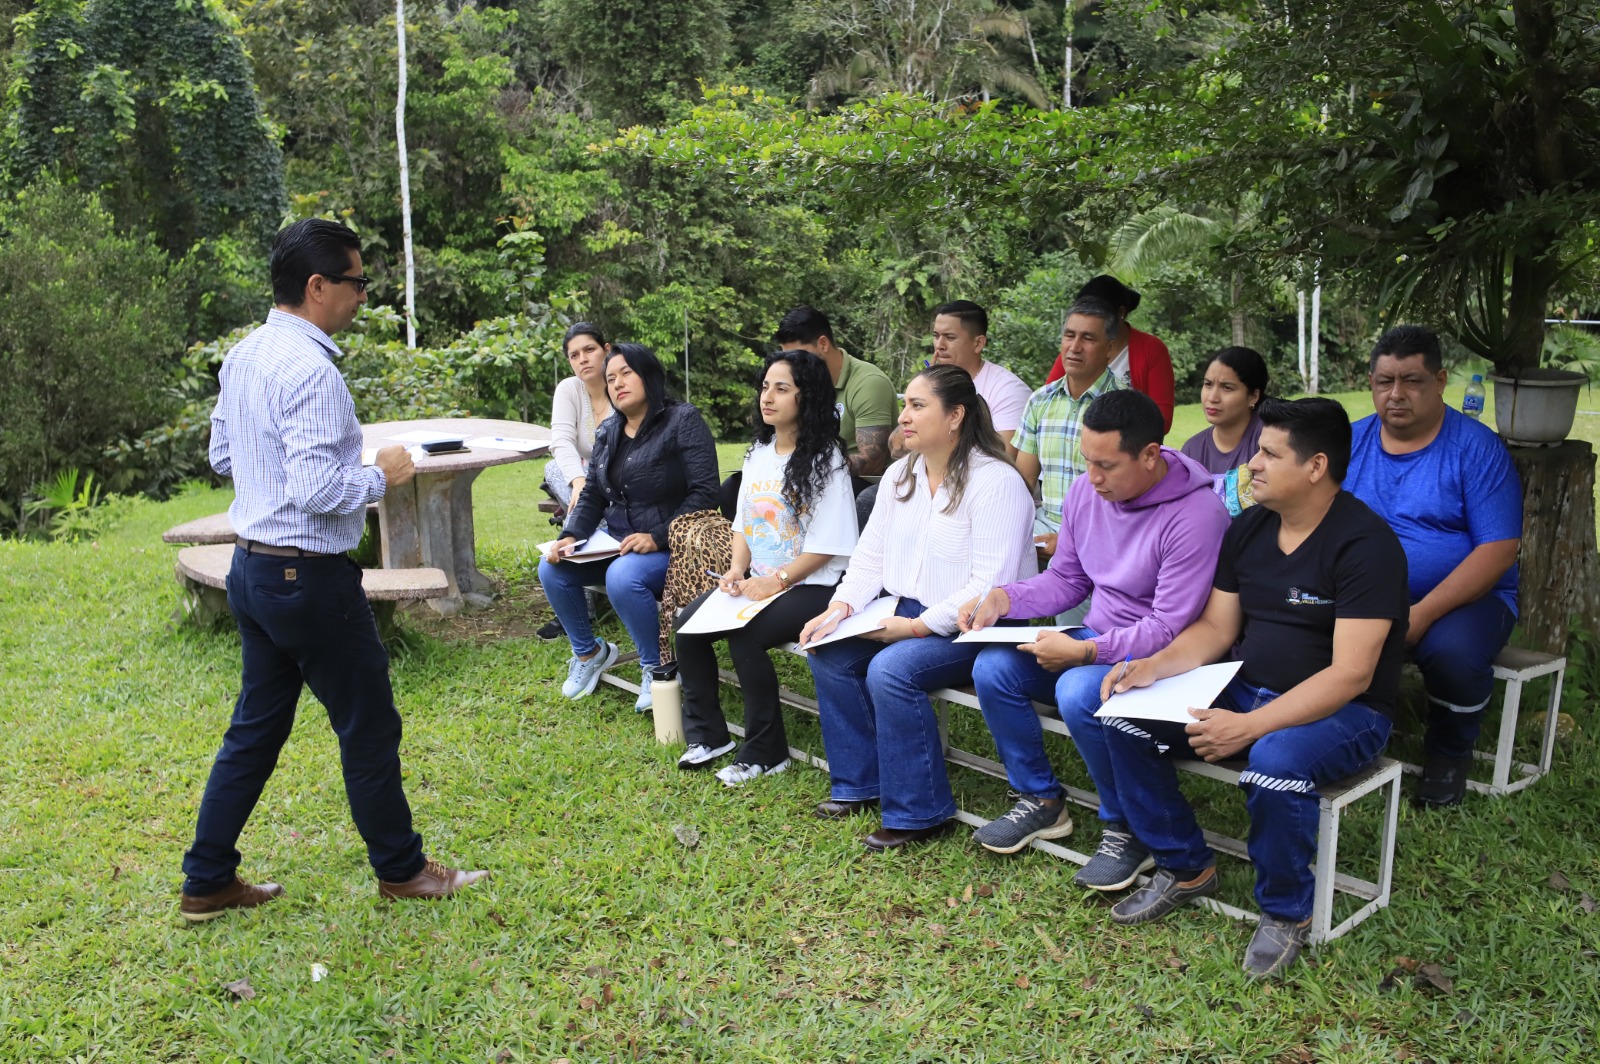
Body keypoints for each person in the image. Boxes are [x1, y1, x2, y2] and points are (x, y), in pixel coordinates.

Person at [180, 219, 486, 921]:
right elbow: (319, 490)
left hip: (253, 572)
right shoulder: (312, 371)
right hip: (308, 579)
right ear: (318, 286)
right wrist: (382, 475)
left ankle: (207, 880)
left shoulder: (244, 355)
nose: (363, 295)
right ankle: (403, 871)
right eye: (357, 281)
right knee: (368, 725)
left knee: (255, 730)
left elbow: (224, 457)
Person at [1097, 397, 1408, 978]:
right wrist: (1154, 666)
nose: (1251, 465)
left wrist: (1250, 727)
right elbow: (1217, 629)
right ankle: (1185, 866)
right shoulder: (1249, 528)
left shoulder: (1366, 546)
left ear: (1315, 467)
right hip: (1245, 687)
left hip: (1348, 711)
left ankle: (1286, 911)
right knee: (1123, 716)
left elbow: (1352, 674)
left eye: (1268, 454)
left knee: (1273, 760)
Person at [962, 390, 1229, 873]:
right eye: (1087, 461)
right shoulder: (1089, 491)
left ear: (1150, 455)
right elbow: (1068, 579)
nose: (1093, 477)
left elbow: (1168, 626)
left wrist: (1086, 652)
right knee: (994, 668)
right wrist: (1005, 597)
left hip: (1165, 662)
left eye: (1106, 465)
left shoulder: (1197, 515)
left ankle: (1128, 827)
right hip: (1100, 637)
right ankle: (1040, 800)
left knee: (1078, 690)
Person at [798, 365, 1035, 851]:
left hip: (982, 622)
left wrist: (917, 627)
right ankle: (861, 782)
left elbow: (987, 585)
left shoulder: (996, 482)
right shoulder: (901, 474)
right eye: (905, 404)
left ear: (955, 416)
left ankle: (919, 811)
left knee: (891, 670)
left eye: (917, 406)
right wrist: (840, 607)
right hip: (908, 605)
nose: (903, 416)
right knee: (828, 650)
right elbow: (871, 556)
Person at [1343, 325, 1522, 807]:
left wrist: (1421, 614)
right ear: (1371, 382)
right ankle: (1330, 735)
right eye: (1385, 381)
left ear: (1440, 381)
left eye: (1412, 381)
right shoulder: (1351, 442)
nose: (1396, 394)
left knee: (1452, 653)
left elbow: (1498, 550)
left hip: (1469, 597)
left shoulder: (1476, 448)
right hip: (1365, 592)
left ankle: (1448, 753)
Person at [674, 351, 859, 785]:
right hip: (759, 583)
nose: (767, 397)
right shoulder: (759, 452)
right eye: (764, 387)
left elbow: (829, 547)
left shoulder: (827, 459)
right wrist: (737, 570)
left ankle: (766, 752)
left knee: (746, 636)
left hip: (814, 585)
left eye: (781, 388)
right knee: (688, 627)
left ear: (806, 396)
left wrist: (776, 581)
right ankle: (709, 736)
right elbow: (743, 521)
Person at [539, 344, 719, 712]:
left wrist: (657, 536)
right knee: (552, 568)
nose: (617, 383)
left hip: (677, 545)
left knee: (622, 577)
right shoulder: (609, 430)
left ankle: (657, 668)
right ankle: (589, 654)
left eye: (626, 373)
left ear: (648, 375)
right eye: (610, 378)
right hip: (620, 542)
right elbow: (592, 494)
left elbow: (706, 492)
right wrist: (570, 535)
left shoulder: (682, 420)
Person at [1013, 296, 1125, 558]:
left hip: (1103, 534)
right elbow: (1023, 483)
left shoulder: (1124, 405)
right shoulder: (1040, 401)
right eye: (1069, 336)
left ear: (1110, 348)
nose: (1075, 347)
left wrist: (1066, 541)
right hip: (1044, 525)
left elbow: (1126, 499)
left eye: (1088, 338)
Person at [538, 322, 612, 642]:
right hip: (579, 475)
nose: (582, 359)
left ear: (606, 350)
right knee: (555, 469)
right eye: (574, 355)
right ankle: (582, 592)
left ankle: (577, 599)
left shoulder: (622, 384)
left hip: (618, 479)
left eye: (589, 350)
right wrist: (580, 482)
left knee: (583, 507)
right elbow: (561, 441)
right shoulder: (569, 389)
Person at [774, 305, 897, 479]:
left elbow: (873, 463)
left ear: (823, 344)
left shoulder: (868, 382)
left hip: (861, 483)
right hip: (812, 477)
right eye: (787, 357)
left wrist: (810, 467)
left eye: (800, 356)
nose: (793, 364)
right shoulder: (800, 382)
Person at [1045, 275, 1175, 431]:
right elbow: (1048, 401)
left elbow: (1162, 420)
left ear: (1120, 313)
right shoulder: (1075, 351)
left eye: (1097, 313)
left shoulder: (1151, 349)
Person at [1181, 346, 1269, 474]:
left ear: (1253, 397)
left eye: (1227, 387)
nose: (1212, 398)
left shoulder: (1270, 440)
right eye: (1208, 384)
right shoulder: (1192, 450)